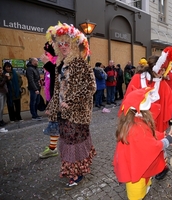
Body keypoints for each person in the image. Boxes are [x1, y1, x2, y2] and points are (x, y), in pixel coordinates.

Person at [45, 22, 97, 190]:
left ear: (73, 45)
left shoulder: (80, 63)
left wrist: (71, 102)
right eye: (60, 44)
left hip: (77, 113)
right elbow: (57, 90)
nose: (63, 46)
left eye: (66, 43)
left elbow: (90, 87)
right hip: (63, 113)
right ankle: (75, 169)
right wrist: (53, 107)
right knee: (67, 142)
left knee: (73, 143)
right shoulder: (60, 66)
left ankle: (77, 173)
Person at [121, 46, 172, 180]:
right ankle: (141, 167)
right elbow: (129, 98)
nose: (162, 73)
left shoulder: (162, 83)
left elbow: (171, 101)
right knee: (141, 147)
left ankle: (162, 166)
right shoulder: (138, 79)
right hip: (138, 122)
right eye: (161, 70)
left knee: (158, 145)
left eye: (164, 70)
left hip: (157, 122)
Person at [113, 87, 172, 200]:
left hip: (138, 166)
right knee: (136, 195)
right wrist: (168, 140)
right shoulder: (136, 127)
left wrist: (165, 137)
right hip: (135, 171)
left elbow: (150, 135)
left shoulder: (134, 121)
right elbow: (151, 147)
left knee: (142, 189)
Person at [38, 42, 59, 159]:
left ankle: (53, 149)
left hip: (57, 99)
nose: (44, 54)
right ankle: (53, 147)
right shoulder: (50, 64)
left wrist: (48, 63)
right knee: (54, 122)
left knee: (55, 123)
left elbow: (57, 77)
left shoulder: (57, 63)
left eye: (47, 52)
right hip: (51, 97)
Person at [0, 65, 9, 131]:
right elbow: (1, 84)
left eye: (1, 70)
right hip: (0, 93)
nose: (1, 71)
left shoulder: (2, 75)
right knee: (0, 107)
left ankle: (1, 119)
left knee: (2, 107)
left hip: (4, 92)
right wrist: (5, 78)